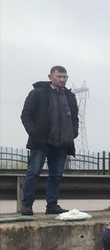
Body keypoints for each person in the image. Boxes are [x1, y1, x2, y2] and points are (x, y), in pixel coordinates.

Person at [19, 66, 80, 215]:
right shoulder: (38, 93)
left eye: (65, 77)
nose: (62, 79)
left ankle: (52, 205)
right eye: (59, 76)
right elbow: (26, 115)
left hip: (62, 143)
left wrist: (73, 133)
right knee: (33, 173)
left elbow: (75, 118)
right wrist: (35, 133)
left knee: (56, 175)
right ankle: (27, 205)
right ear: (50, 76)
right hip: (41, 141)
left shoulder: (70, 96)